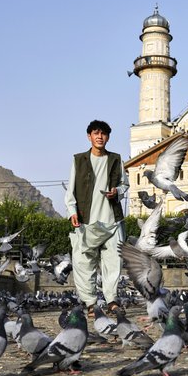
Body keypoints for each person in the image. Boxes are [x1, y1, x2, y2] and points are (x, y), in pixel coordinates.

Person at [64, 120, 129, 318]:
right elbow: (71, 190)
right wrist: (72, 211)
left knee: (114, 262)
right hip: (86, 221)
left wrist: (116, 191)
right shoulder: (78, 160)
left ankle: (112, 301)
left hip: (112, 221)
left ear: (108, 137)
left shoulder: (117, 160)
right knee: (83, 263)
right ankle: (91, 303)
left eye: (104, 134)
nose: (100, 137)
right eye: (96, 133)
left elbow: (124, 186)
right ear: (89, 136)